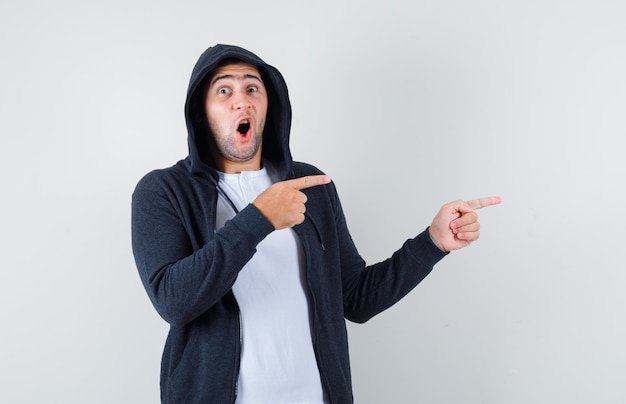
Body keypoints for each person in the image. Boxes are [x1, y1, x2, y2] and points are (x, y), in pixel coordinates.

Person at [131, 43, 501, 404]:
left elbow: (355, 298)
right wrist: (259, 219)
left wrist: (432, 243)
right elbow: (173, 302)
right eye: (224, 90)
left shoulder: (312, 186)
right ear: (200, 111)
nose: (240, 100)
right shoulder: (164, 190)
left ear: (268, 105)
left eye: (252, 88)